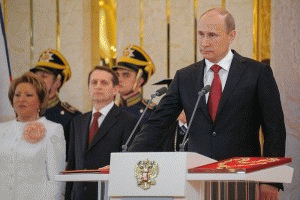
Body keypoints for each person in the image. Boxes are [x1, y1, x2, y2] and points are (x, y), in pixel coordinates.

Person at [128, 8, 286, 200]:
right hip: (196, 182)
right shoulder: (185, 77)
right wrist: (126, 162)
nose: (204, 42)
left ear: (232, 35)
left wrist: (270, 180)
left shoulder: (257, 73)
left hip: (243, 180)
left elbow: (274, 130)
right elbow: (157, 124)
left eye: (212, 35)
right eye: (200, 34)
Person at [65, 66, 139, 200]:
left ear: (115, 89)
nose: (98, 86)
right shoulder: (77, 122)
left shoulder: (128, 121)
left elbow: (129, 166)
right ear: (88, 89)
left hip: (109, 194)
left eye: (104, 83)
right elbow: (72, 165)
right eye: (94, 82)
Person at [0, 72, 66, 200]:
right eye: (17, 95)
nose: (21, 99)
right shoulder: (2, 129)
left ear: (40, 101)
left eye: (29, 95)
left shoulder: (53, 130)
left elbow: (56, 179)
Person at [30, 48, 81, 159]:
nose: (38, 80)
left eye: (44, 76)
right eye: (36, 76)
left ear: (57, 82)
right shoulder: (25, 113)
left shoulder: (71, 118)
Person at [112, 44, 156, 124]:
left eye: (126, 75)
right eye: (117, 75)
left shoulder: (152, 113)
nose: (119, 79)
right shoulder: (110, 110)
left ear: (140, 81)